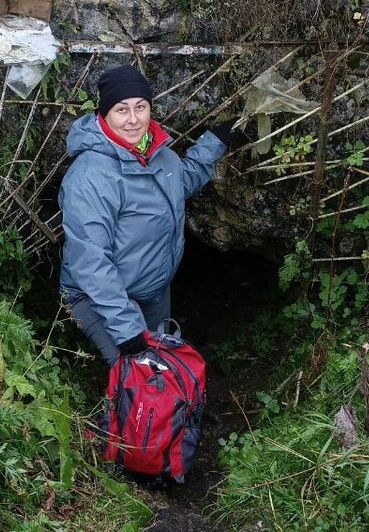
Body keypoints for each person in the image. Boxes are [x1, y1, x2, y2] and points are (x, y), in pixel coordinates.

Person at [59, 64, 237, 366]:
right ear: (105, 114)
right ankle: (113, 412)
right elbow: (91, 261)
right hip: (101, 298)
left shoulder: (159, 153)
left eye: (140, 107)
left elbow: (179, 182)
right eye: (121, 109)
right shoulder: (91, 176)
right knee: (138, 379)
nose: (133, 119)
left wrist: (216, 142)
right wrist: (127, 330)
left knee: (162, 371)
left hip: (154, 290)